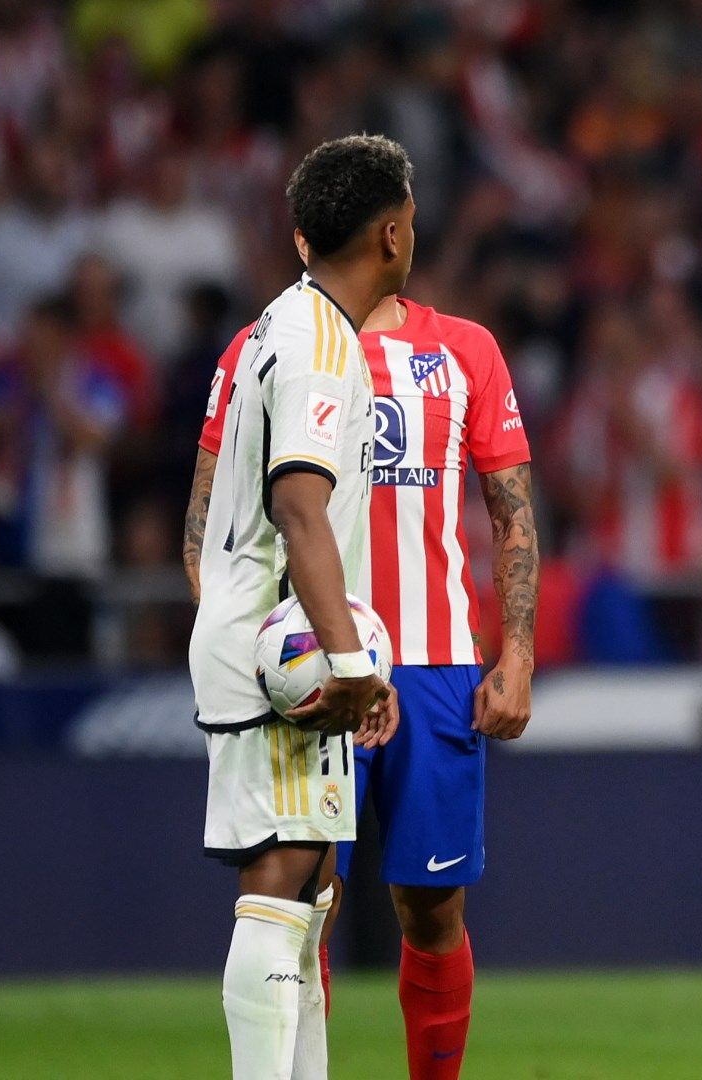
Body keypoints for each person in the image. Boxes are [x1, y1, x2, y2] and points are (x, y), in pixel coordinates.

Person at [186, 271, 538, 1080]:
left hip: (436, 667)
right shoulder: (262, 346)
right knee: (308, 903)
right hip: (316, 675)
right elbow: (207, 520)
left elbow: (511, 508)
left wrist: (515, 654)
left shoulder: (464, 350)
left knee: (433, 908)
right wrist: (266, 657)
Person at [188, 133, 413, 1080]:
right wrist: (351, 666)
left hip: (281, 637)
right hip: (287, 653)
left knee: (309, 885)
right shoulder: (322, 345)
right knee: (281, 879)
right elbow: (297, 502)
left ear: (299, 237)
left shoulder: (279, 324)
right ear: (394, 235)